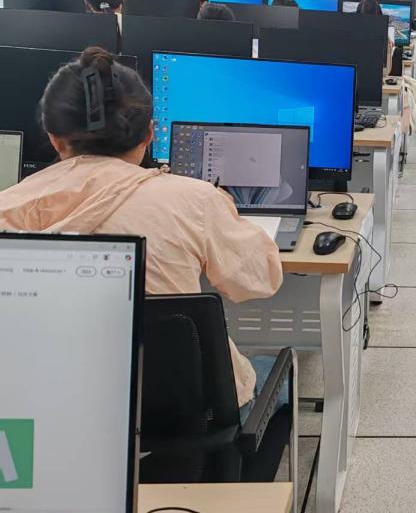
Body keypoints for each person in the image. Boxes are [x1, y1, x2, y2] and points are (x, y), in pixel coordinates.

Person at [0, 47, 283, 415]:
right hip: (188, 418)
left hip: (53, 420)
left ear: (53, 137)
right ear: (150, 133)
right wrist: (222, 209)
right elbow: (260, 280)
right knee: (273, 376)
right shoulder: (195, 200)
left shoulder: (8, 208)